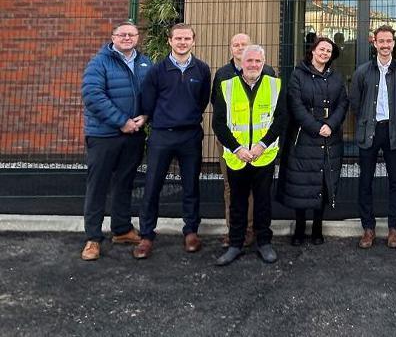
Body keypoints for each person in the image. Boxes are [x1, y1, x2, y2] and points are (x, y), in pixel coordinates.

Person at [134, 23, 211, 259]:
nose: (182, 42)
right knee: (152, 185)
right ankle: (146, 235)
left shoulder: (202, 70)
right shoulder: (157, 70)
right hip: (161, 134)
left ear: (193, 41)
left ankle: (190, 232)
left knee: (191, 185)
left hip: (190, 134)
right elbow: (148, 100)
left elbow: (202, 100)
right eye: (178, 38)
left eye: (187, 38)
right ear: (170, 41)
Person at [79, 22, 152, 261]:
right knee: (98, 185)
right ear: (113, 37)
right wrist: (121, 121)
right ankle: (93, 238)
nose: (127, 38)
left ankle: (121, 229)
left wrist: (146, 114)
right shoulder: (99, 62)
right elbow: (93, 95)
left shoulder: (144, 63)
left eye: (132, 35)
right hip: (103, 135)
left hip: (133, 135)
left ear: (137, 38)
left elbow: (151, 93)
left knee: (125, 182)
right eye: (122, 34)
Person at [211, 45, 287, 266]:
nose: (253, 65)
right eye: (249, 61)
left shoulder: (275, 85)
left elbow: (280, 119)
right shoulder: (227, 86)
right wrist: (238, 149)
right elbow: (218, 123)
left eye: (258, 61)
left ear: (264, 63)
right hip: (237, 156)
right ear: (241, 62)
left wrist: (262, 146)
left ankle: (264, 242)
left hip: (263, 156)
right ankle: (236, 244)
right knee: (237, 202)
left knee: (263, 202)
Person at [278, 36, 348, 246]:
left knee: (323, 181)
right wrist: (316, 127)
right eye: (321, 49)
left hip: (330, 136)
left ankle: (317, 227)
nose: (324, 53)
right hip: (304, 135)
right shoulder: (298, 75)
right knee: (302, 182)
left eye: (328, 51)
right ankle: (299, 228)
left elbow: (343, 103)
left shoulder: (336, 77)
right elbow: (295, 104)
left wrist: (331, 125)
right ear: (313, 51)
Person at [348, 25, 396, 249]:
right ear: (374, 43)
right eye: (381, 41)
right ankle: (368, 229)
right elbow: (354, 103)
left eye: (389, 41)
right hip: (370, 131)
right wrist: (366, 120)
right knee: (365, 181)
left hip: (394, 132)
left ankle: (394, 229)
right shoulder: (362, 72)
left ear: (394, 44)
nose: (385, 45)